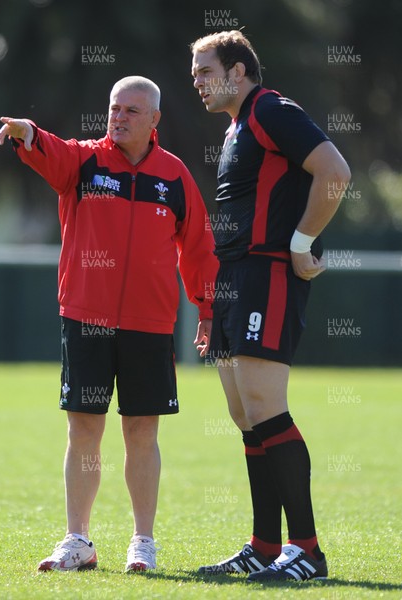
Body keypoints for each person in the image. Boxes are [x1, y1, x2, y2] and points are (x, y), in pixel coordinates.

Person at [0, 76, 218, 572]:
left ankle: (143, 541)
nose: (118, 117)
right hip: (85, 319)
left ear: (155, 120)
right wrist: (27, 131)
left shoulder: (175, 177)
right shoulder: (86, 161)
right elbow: (49, 150)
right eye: (114, 108)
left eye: (132, 111)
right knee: (84, 430)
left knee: (142, 431)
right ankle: (78, 539)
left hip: (151, 324)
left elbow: (199, 248)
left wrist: (207, 309)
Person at [190, 31, 350, 582]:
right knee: (244, 414)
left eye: (206, 71)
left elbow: (336, 172)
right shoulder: (235, 126)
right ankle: (264, 545)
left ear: (238, 71)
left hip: (268, 274)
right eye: (194, 73)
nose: (197, 81)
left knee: (265, 406)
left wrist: (303, 242)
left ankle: (307, 550)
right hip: (235, 279)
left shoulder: (269, 109)